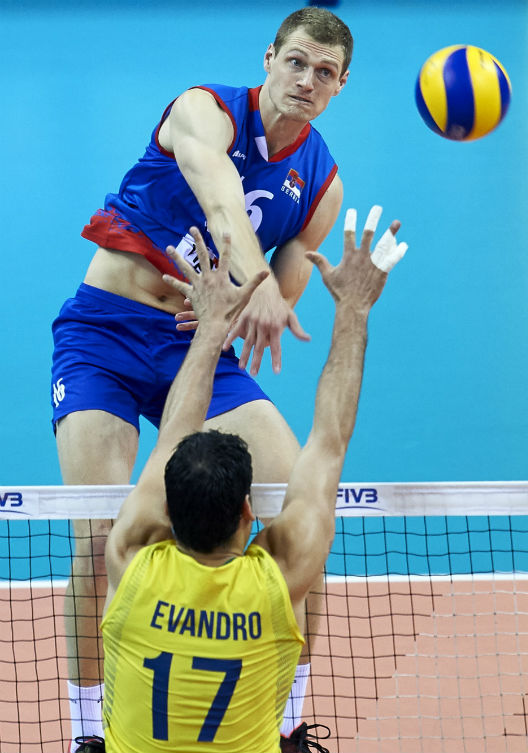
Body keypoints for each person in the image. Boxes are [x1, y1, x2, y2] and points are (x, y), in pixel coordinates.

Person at [50, 7, 360, 745]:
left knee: (300, 513)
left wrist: (262, 308)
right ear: (269, 58)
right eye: (296, 62)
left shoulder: (320, 187)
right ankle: (86, 732)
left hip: (198, 347)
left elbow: (280, 296)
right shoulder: (203, 111)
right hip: (105, 334)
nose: (306, 80)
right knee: (98, 537)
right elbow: (223, 202)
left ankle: (288, 722)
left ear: (341, 86)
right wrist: (252, 289)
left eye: (325, 72)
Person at [91, 206, 403, 752]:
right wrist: (354, 308)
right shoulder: (276, 583)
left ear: (168, 512)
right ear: (247, 513)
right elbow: (329, 441)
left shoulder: (132, 556)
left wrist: (209, 328)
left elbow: (172, 437)